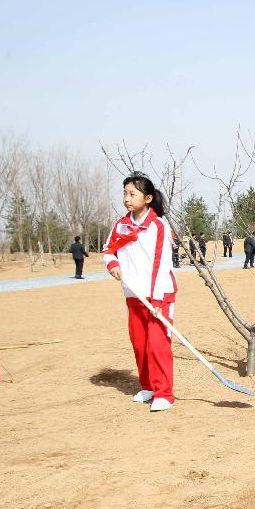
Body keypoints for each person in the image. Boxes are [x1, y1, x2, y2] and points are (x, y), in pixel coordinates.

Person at [102, 172, 177, 413]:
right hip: (133, 294)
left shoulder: (158, 226)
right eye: (125, 193)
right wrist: (112, 265)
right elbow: (108, 250)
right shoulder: (120, 225)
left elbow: (161, 264)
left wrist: (155, 299)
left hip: (158, 295)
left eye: (132, 194)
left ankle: (164, 393)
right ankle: (148, 386)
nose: (127, 198)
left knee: (157, 345)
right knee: (140, 344)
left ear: (147, 198)